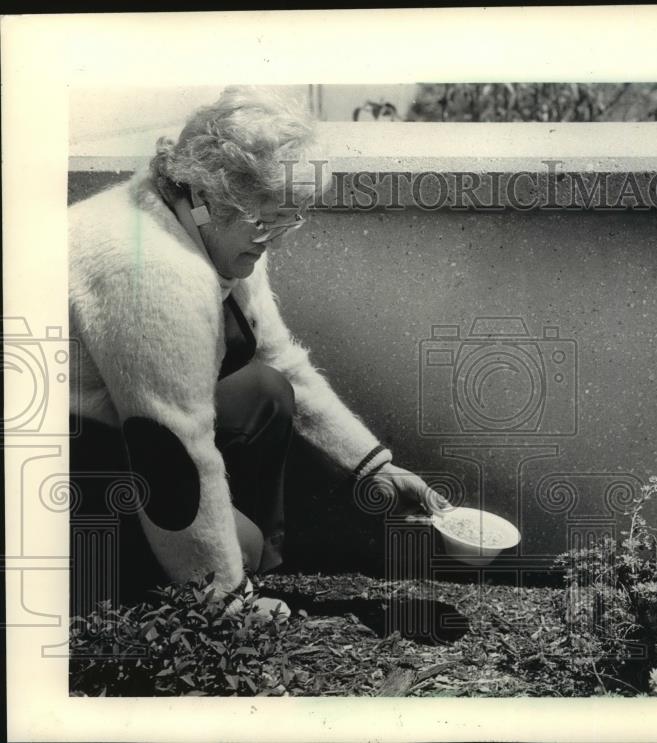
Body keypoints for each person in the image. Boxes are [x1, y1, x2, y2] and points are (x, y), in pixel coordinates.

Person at [69, 86, 447, 620]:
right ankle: (187, 598)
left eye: (288, 219)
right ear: (206, 197)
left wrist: (374, 469)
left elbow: (281, 363)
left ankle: (235, 573)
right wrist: (225, 603)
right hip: (57, 460)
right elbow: (172, 452)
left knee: (265, 391)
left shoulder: (211, 225)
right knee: (229, 554)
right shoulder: (150, 269)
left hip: (125, 435)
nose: (275, 238)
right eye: (266, 222)